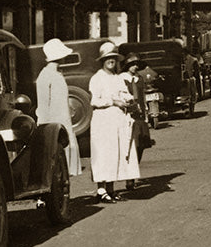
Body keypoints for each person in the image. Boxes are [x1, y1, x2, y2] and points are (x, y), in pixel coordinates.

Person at [88, 42, 137, 202]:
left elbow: (125, 93)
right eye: (108, 59)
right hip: (103, 121)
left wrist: (128, 99)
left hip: (117, 121)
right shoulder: (97, 78)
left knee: (114, 153)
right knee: (103, 154)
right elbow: (95, 101)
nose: (111, 61)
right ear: (103, 60)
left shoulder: (117, 78)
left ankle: (111, 188)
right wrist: (114, 102)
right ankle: (101, 190)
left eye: (113, 59)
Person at [35, 38, 81, 177]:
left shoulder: (57, 74)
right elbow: (43, 106)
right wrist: (45, 129)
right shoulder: (45, 76)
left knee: (63, 161)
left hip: (63, 121)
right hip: (53, 123)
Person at [121, 52, 154, 190]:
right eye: (132, 64)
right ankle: (129, 178)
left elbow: (143, 95)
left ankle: (133, 172)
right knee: (131, 146)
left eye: (136, 64)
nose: (134, 67)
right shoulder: (122, 79)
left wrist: (146, 111)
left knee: (141, 143)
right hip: (128, 115)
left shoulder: (139, 78)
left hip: (140, 115)